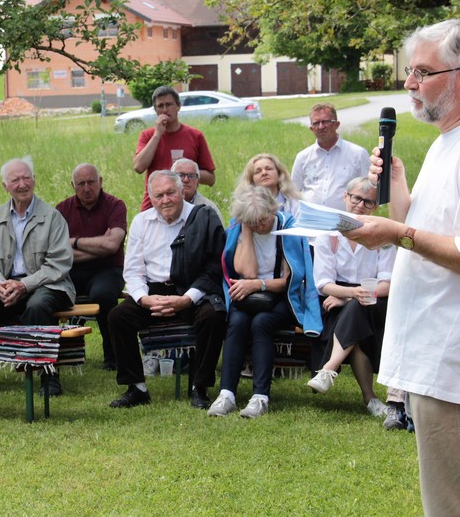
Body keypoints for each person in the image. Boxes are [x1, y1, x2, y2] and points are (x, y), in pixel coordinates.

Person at [349, 19, 460, 516]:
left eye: (421, 72)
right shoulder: (450, 141)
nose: (408, 83)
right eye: (410, 71)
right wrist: (399, 188)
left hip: (457, 360)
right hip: (434, 353)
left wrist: (396, 233)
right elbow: (422, 229)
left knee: (459, 507)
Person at [107, 170, 226, 410]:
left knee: (213, 317)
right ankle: (137, 388)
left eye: (171, 193)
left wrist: (186, 299)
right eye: (159, 195)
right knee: (118, 317)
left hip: (191, 289)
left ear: (182, 192)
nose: (165, 200)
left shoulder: (203, 217)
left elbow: (214, 267)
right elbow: (132, 270)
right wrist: (144, 299)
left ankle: (199, 388)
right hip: (154, 291)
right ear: (151, 198)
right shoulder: (142, 221)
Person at [208, 185, 321, 418]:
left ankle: (260, 397)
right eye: (252, 222)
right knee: (237, 321)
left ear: (273, 209)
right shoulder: (242, 228)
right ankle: (226, 394)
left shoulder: (289, 229)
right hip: (250, 297)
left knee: (262, 323)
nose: (259, 226)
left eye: (262, 220)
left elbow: (290, 282)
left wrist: (258, 285)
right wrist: (247, 232)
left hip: (283, 297)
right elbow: (247, 271)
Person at [0, 157, 75, 395]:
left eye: (27, 177)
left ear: (34, 180)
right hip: (4, 285)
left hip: (43, 284)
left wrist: (23, 285)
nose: (22, 184)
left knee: (38, 305)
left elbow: (59, 263)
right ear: (5, 186)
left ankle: (49, 376)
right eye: (15, 180)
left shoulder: (52, 217)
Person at [305, 178, 397, 418]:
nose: (360, 205)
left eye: (368, 202)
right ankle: (370, 400)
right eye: (356, 198)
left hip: (375, 302)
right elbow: (323, 284)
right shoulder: (329, 235)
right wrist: (349, 296)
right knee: (355, 325)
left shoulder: (383, 238)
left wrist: (350, 297)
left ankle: (328, 369)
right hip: (335, 302)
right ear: (345, 197)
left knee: (357, 310)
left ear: (375, 207)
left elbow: (387, 284)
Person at [55, 163, 127, 371]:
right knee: (48, 293)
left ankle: (112, 354)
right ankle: (61, 353)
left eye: (91, 182)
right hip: (71, 271)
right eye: (81, 183)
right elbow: (56, 252)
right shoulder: (62, 209)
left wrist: (73, 242)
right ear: (73, 185)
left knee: (103, 296)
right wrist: (99, 247)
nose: (86, 188)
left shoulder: (115, 205)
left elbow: (112, 245)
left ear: (100, 182)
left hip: (108, 270)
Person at [132, 86, 216, 211]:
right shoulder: (148, 135)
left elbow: (211, 179)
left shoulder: (195, 136)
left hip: (186, 207)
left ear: (178, 106)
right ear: (155, 110)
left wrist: (187, 171)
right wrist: (157, 134)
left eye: (169, 104)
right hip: (154, 206)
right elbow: (138, 167)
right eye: (160, 106)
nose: (165, 110)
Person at [291, 103, 370, 209]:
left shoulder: (358, 154)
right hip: (310, 221)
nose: (321, 127)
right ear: (311, 128)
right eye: (316, 123)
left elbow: (368, 191)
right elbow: (293, 193)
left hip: (346, 221)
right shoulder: (302, 157)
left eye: (325, 122)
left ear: (336, 124)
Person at [236, 153, 301, 217]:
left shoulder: (295, 202)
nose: (264, 173)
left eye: (269, 169)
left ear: (279, 174)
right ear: (251, 179)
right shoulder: (244, 206)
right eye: (258, 171)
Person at [171, 158, 223, 223]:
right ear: (171, 180)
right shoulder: (163, 205)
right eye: (181, 175)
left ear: (198, 182)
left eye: (191, 176)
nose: (186, 180)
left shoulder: (209, 210)